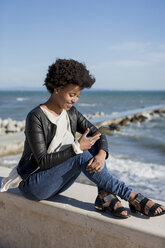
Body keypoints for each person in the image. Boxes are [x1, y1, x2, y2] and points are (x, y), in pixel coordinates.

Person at [15, 59, 165, 218]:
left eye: (78, 95)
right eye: (71, 95)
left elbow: (98, 133)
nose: (75, 100)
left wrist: (101, 154)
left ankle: (104, 196)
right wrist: (76, 148)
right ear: (56, 89)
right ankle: (132, 196)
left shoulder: (71, 113)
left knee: (92, 145)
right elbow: (43, 161)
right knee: (80, 153)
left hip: (56, 182)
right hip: (33, 185)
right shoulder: (36, 117)